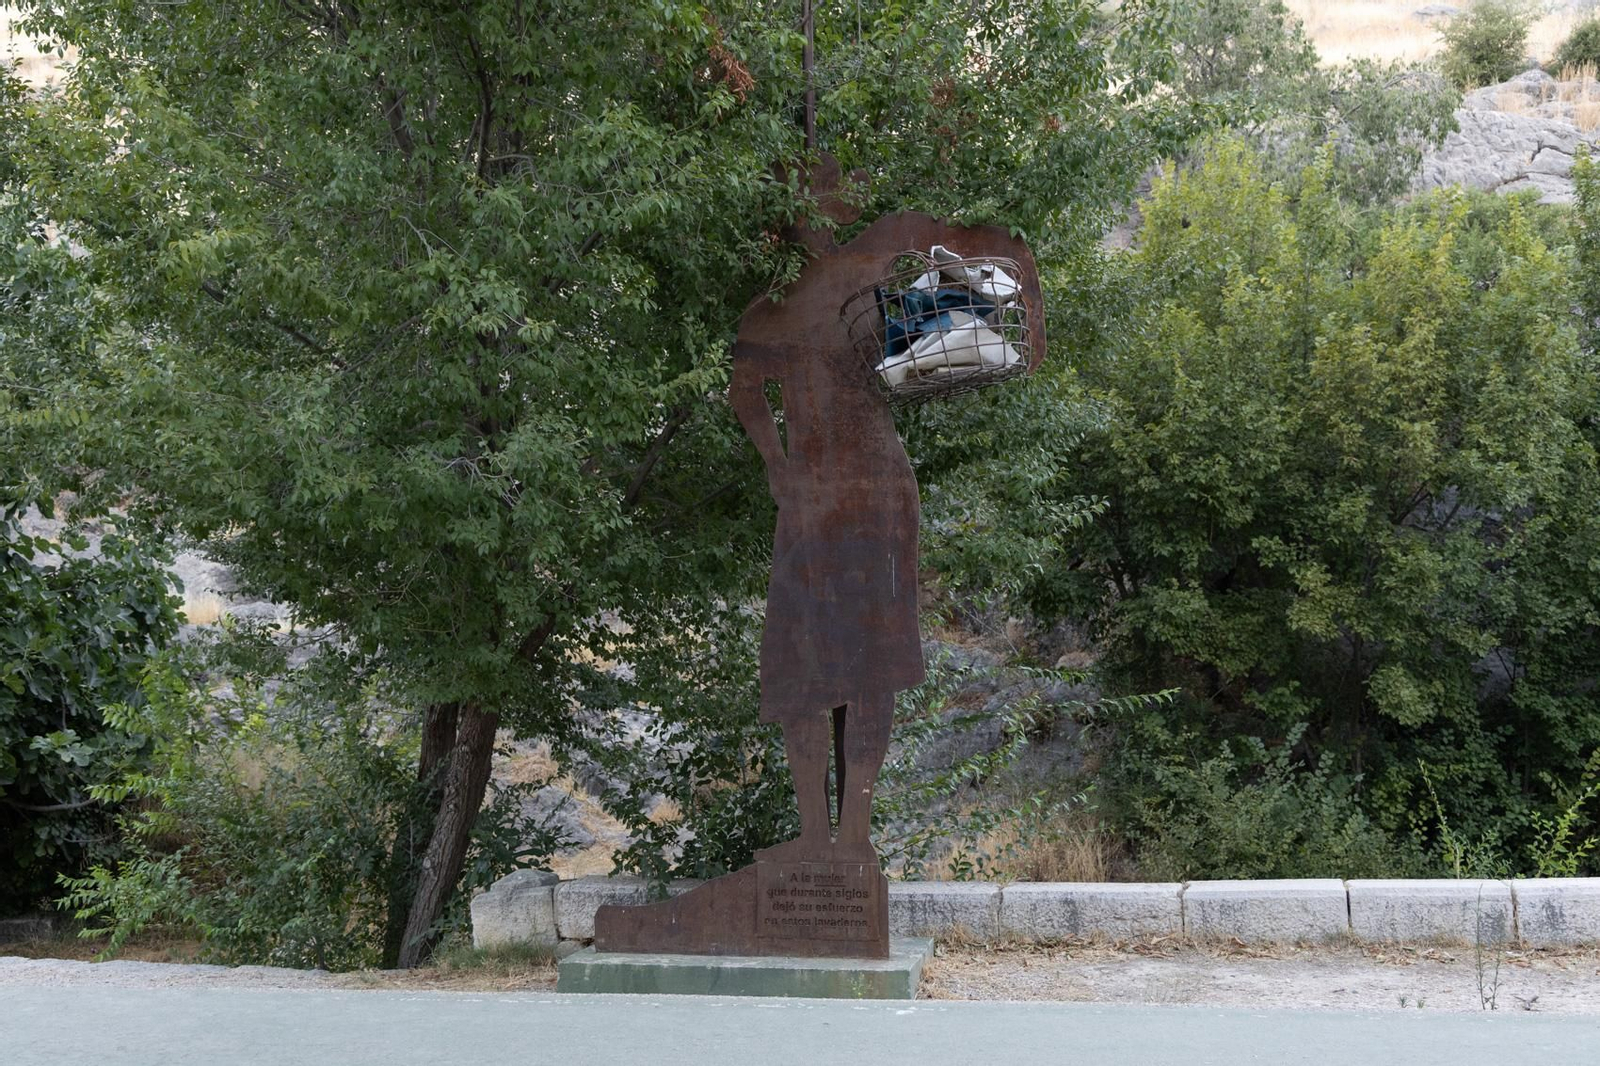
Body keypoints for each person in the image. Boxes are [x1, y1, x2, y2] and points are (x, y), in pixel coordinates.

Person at [729, 156, 1045, 864]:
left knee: (870, 667)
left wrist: (1029, 286)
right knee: (802, 672)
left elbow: (972, 242)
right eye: (816, 195)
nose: (830, 207)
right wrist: (779, 471)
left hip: (876, 490)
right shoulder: (771, 309)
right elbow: (745, 393)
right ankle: (815, 836)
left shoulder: (873, 260)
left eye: (835, 194)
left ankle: (854, 838)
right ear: (790, 213)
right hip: (810, 499)